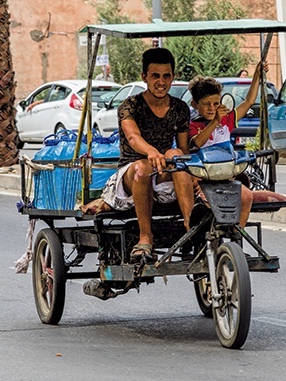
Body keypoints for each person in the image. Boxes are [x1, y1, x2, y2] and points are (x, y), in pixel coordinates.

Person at [99, 47, 194, 262]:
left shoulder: (180, 108)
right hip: (131, 173)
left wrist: (193, 172)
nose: (161, 82)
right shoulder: (130, 106)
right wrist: (151, 151)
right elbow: (133, 137)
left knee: (176, 154)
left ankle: (190, 226)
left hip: (162, 171)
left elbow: (184, 149)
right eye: (155, 76)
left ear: (173, 77)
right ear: (145, 77)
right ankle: (145, 236)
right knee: (143, 167)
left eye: (166, 76)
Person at [182, 61, 268, 227]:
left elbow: (249, 101)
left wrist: (257, 75)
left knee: (247, 196)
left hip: (225, 177)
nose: (212, 108)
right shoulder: (193, 125)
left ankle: (237, 235)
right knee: (207, 205)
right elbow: (198, 143)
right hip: (202, 180)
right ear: (195, 105)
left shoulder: (227, 119)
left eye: (215, 104)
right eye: (206, 104)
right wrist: (215, 122)